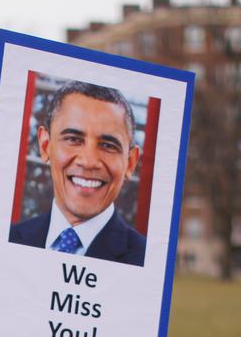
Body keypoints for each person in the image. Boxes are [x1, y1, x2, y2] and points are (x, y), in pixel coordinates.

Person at [9, 81, 146, 266]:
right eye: (73, 139)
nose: (89, 162)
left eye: (108, 146)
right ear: (45, 145)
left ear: (130, 162)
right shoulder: (7, 243)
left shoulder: (147, 262)